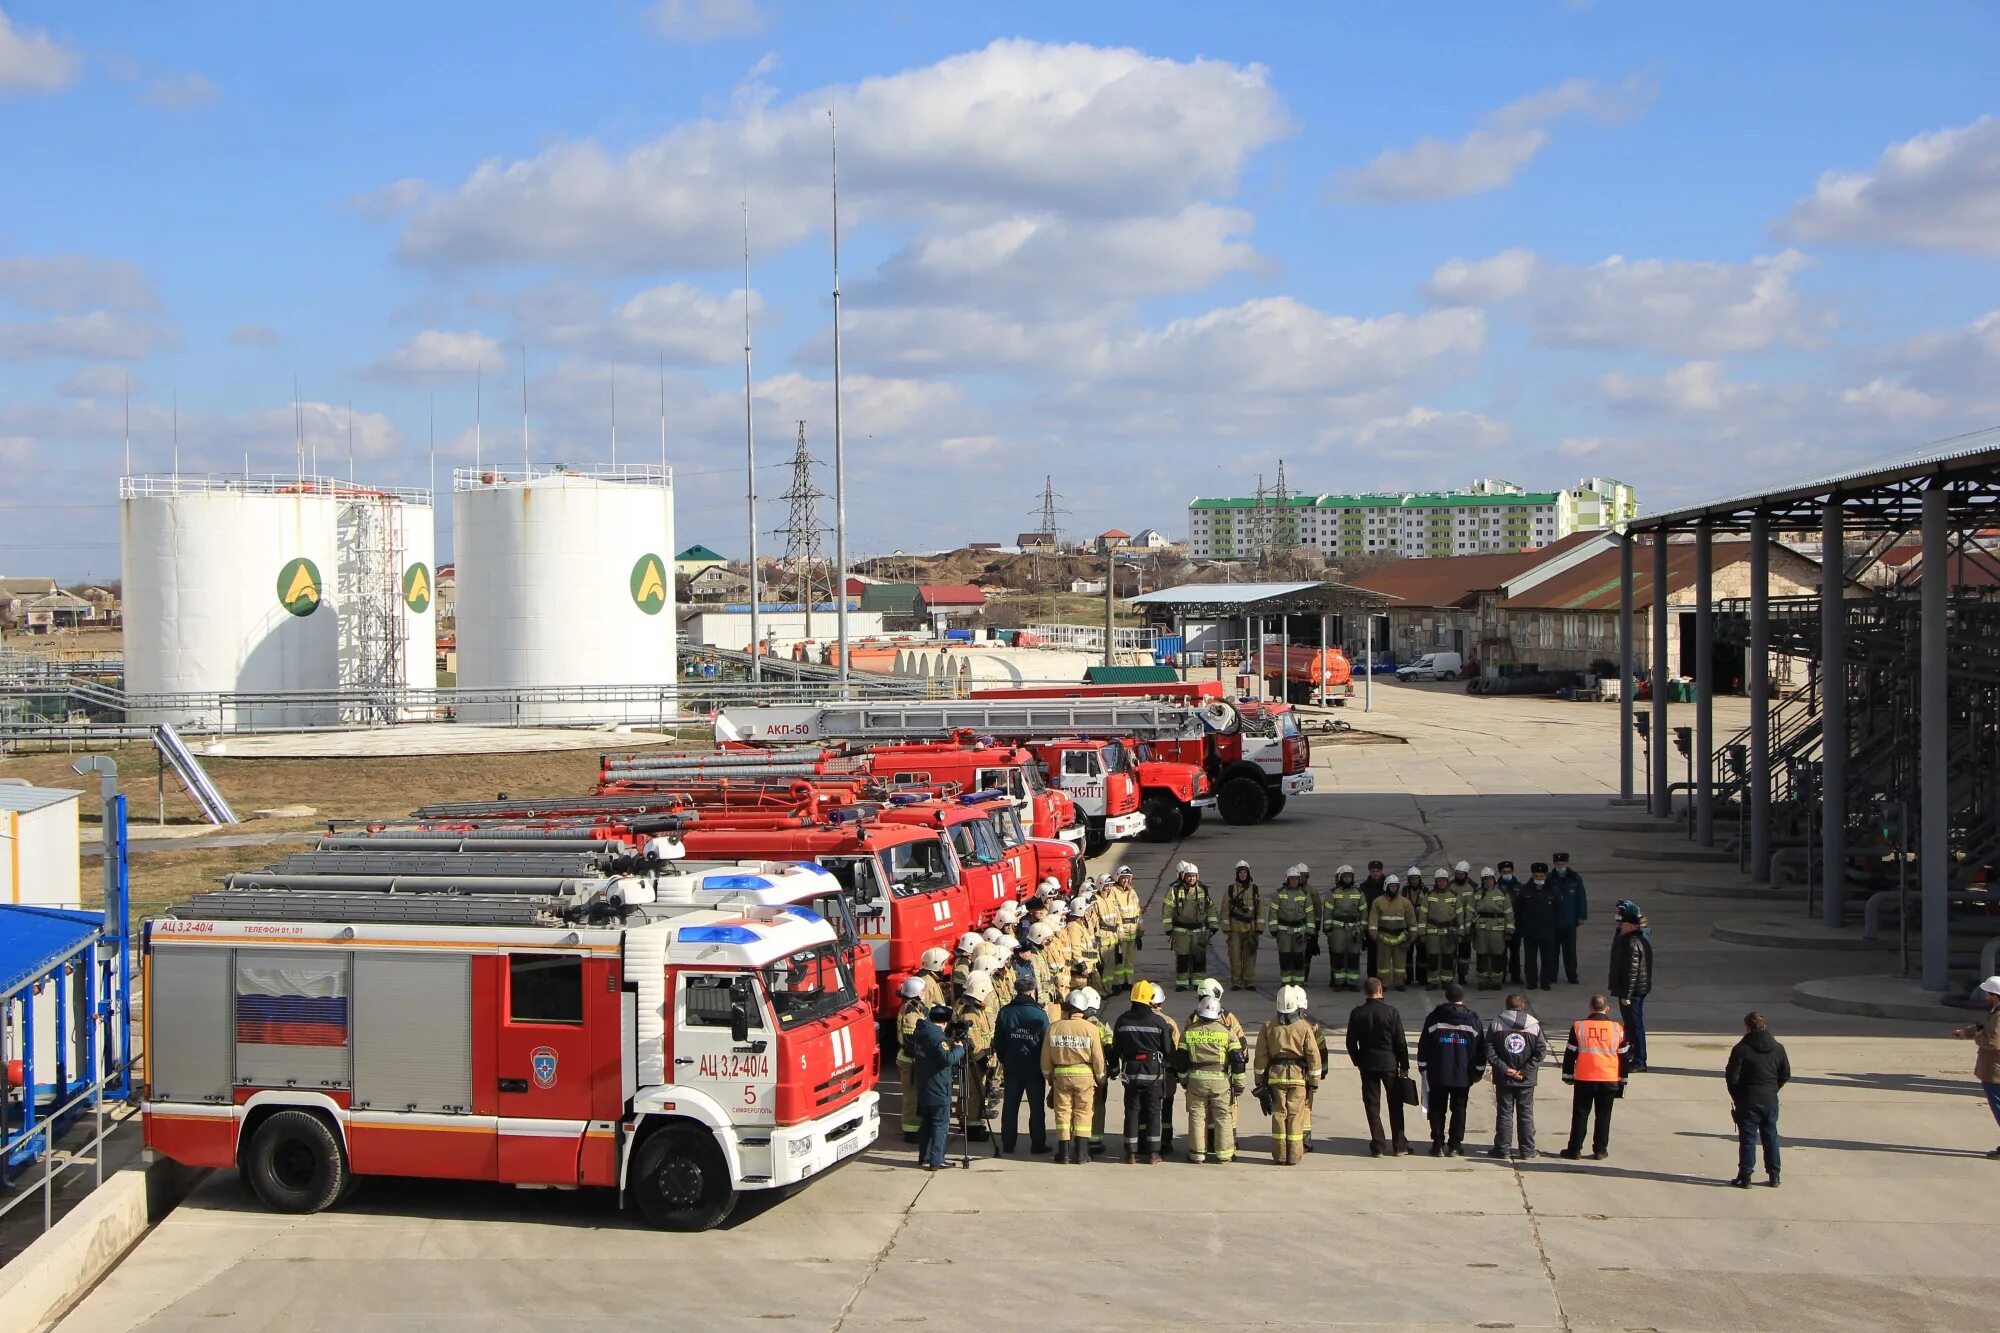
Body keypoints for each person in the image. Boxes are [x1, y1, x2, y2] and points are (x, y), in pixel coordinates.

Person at [1254, 985, 1321, 1165]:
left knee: (1279, 1114)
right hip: (1299, 1079)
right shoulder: (1304, 1027)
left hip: (1276, 1078)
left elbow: (1260, 1056)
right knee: (1295, 1116)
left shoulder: (1268, 1027)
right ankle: (1294, 1156)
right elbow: (1313, 1055)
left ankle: (1280, 1155)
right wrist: (1314, 1082)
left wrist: (1259, 1081)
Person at [1417, 982, 1486, 1156]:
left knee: (1437, 1108)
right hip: (1463, 1074)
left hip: (1438, 1072)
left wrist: (1423, 1067)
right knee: (1459, 1108)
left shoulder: (1434, 1018)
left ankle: (1438, 1144)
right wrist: (1479, 1071)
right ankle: (1455, 1146)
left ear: (1446, 997)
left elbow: (1424, 1044)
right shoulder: (1473, 1019)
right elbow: (1480, 1048)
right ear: (1462, 998)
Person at [1346, 977, 1412, 1156]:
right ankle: (1399, 1145)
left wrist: (1358, 1060)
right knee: (1395, 1105)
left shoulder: (1357, 1013)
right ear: (1380, 990)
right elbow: (1400, 1042)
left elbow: (1351, 1043)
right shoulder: (1391, 1012)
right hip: (1389, 1063)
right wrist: (1404, 1064)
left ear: (1365, 992)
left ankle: (1378, 1145)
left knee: (1372, 1106)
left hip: (1368, 1065)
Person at [1559, 993, 1629, 1160]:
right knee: (1604, 1116)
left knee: (1580, 1114)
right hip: (1609, 1078)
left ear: (1590, 1008)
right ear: (1607, 1008)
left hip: (1585, 1077)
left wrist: (1568, 1075)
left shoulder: (1579, 1027)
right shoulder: (1617, 1028)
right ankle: (1600, 1149)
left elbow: (1570, 1053)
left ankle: (1574, 1149)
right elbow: (1623, 1057)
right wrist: (1623, 1080)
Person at [1725, 1011, 1790, 1187]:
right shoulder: (1778, 1048)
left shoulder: (1741, 1049)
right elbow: (1785, 1074)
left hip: (1748, 1100)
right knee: (1771, 1137)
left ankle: (1745, 1176)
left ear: (1747, 1027)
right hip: (1770, 1099)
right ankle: (1774, 1175)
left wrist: (1738, 1096)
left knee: (1748, 1139)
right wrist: (1773, 1088)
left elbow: (1732, 1078)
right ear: (1764, 1026)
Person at [1041, 989, 1106, 1164]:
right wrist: (1101, 1078)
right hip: (1085, 1077)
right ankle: (1082, 1154)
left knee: (1063, 1113)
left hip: (1061, 1076)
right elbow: (1098, 1057)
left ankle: (1064, 1154)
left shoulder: (1054, 1028)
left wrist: (1048, 1077)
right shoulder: (1091, 1029)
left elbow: (1046, 1058)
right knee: (1084, 1113)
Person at [1112, 980, 1174, 1163]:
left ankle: (1131, 1153)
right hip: (1153, 1073)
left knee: (1132, 1111)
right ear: (1150, 998)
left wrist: (1115, 1067)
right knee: (1154, 1111)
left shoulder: (1122, 1020)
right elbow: (1168, 1050)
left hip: (1131, 1072)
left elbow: (1116, 1049)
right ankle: (1154, 1154)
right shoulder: (1158, 1021)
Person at [1181, 994, 1245, 1163]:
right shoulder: (1227, 1032)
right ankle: (1224, 1155)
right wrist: (1239, 1084)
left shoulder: (1189, 1031)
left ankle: (1197, 1154)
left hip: (1196, 1080)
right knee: (1223, 1116)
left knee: (1197, 1116)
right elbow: (1238, 1060)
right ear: (1217, 1014)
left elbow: (1180, 1059)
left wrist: (1184, 1079)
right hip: (1220, 1081)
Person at [993, 974, 1051, 1155]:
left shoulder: (1005, 1012)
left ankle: (1008, 1144)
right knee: (1036, 1108)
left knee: (1010, 1107)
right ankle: (1038, 1144)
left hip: (1012, 1067)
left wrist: (1005, 1059)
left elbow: (999, 1042)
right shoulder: (1040, 1014)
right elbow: (1046, 1043)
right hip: (1034, 1068)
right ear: (1032, 991)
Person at [1487, 993, 1548, 1160]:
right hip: (1526, 1079)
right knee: (1526, 1113)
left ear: (1506, 1006)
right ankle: (1527, 1150)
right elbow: (1541, 1051)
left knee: (1504, 1113)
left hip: (1504, 1078)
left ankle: (1502, 1149)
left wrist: (1505, 1069)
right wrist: (1526, 1070)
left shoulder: (1497, 1023)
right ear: (1522, 1006)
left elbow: (1489, 1050)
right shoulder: (1534, 1026)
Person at [907, 1004, 964, 1170]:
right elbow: (947, 1059)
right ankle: (936, 1159)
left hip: (924, 1086)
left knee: (926, 1122)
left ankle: (924, 1156)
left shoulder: (922, 1032)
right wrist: (960, 1049)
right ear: (944, 1022)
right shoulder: (937, 1038)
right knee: (940, 1124)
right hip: (938, 1087)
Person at [1950, 975, 2000, 1158]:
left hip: (1995, 1070)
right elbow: (1985, 1028)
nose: (1986, 997)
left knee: (1998, 1106)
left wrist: (1977, 1037)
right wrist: (1966, 1032)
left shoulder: (1999, 1015)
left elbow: (1992, 1042)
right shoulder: (1996, 1011)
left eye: (1988, 993)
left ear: (1995, 995)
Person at [1608, 899, 1654, 1072]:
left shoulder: (1632, 943)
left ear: (1632, 926)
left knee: (1635, 1025)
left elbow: (1631, 972)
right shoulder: (1627, 939)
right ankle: (1632, 1053)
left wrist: (1626, 994)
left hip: (1632, 992)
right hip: (1630, 990)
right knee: (1631, 1024)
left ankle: (1640, 1059)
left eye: (1623, 923)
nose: (1620, 926)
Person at [953, 970, 998, 1141]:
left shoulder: (976, 1009)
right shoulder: (971, 1012)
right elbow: (972, 1041)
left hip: (979, 1057)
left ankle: (972, 1120)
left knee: (976, 1092)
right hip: (974, 1060)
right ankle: (971, 1126)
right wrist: (981, 1060)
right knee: (972, 1093)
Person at [1163, 861, 1217, 991]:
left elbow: (1210, 907)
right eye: (1188, 876)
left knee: (1199, 957)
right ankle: (1182, 983)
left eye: (1193, 876)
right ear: (1184, 876)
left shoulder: (1202, 889)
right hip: (1181, 931)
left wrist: (1214, 924)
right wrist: (1168, 927)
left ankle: (1199, 982)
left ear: (1197, 876)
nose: (1191, 878)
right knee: (1182, 956)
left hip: (1199, 930)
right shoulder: (1175, 890)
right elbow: (1168, 909)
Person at [1267, 864, 1320, 988]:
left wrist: (1309, 931)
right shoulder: (1279, 893)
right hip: (1283, 932)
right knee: (1285, 957)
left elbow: (1310, 914)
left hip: (1299, 932)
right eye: (1292, 879)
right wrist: (1273, 929)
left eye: (1296, 879)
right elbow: (1273, 912)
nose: (1295, 881)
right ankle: (1286, 982)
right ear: (1287, 879)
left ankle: (1298, 982)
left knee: (1298, 958)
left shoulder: (1304, 894)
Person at [1515, 863, 1562, 992]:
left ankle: (1545, 982)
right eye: (1536, 875)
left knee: (1547, 959)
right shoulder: (1525, 890)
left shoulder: (1553, 890)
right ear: (1532, 875)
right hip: (1530, 932)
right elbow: (1518, 910)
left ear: (1546, 875)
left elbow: (1559, 910)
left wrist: (1555, 928)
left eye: (1541, 876)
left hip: (1548, 932)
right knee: (1530, 959)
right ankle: (1532, 982)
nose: (1539, 878)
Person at [1367, 873, 1418, 991]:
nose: (1394, 889)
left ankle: (1399, 982)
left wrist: (1412, 936)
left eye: (1396, 886)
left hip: (1400, 938)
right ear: (1386, 887)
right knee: (1382, 964)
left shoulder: (1405, 903)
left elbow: (1411, 920)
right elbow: (1373, 919)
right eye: (1391, 886)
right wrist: (1373, 933)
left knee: (1400, 963)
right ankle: (1383, 983)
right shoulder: (1378, 902)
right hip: (1383, 937)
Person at [894, 976, 930, 1142]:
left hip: (914, 1060)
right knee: (912, 1096)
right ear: (915, 992)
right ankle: (911, 1131)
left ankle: (916, 1126)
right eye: (922, 991)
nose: (924, 993)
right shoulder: (910, 1014)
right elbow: (911, 1042)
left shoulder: (914, 1008)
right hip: (910, 1061)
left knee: (917, 1095)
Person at [1321, 866, 1368, 990]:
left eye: (1350, 877)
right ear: (1341, 878)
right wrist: (1328, 929)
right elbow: (1327, 912)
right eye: (1345, 877)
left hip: (1354, 930)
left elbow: (1364, 912)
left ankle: (1352, 983)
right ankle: (1339, 981)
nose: (1347, 879)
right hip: (1338, 930)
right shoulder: (1333, 893)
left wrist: (1363, 928)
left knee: (1353, 955)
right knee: (1338, 955)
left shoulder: (1358, 893)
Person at [1419, 867, 1467, 989]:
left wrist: (1460, 933)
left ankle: (1447, 981)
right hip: (1432, 933)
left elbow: (1460, 916)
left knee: (1448, 957)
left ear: (1447, 881)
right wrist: (1422, 933)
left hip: (1449, 933)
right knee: (1433, 957)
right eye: (1439, 880)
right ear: (1436, 881)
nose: (1441, 883)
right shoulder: (1429, 896)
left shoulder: (1454, 896)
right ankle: (1432, 981)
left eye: (1444, 880)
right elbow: (1423, 915)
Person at [1469, 867, 1515, 989]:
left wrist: (1509, 930)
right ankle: (1483, 981)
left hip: (1497, 930)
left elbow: (1509, 913)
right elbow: (1470, 911)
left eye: (1490, 878)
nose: (1487, 881)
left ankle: (1496, 981)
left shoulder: (1502, 892)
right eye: (1485, 879)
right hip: (1481, 930)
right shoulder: (1477, 893)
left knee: (1497, 955)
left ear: (1494, 879)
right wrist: (1468, 928)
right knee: (1482, 955)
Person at [1550, 852, 1589, 986]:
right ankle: (1551, 975)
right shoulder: (1550, 878)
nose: (1560, 867)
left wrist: (1581, 916)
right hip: (1554, 922)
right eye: (1558, 864)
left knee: (1570, 952)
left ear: (1567, 864)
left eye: (1562, 864)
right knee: (1552, 952)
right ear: (1554, 864)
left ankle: (1572, 975)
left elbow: (1581, 898)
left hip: (1569, 922)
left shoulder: (1575, 879)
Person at [1224, 861, 1262, 991]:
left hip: (1250, 929)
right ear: (1237, 873)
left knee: (1250, 956)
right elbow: (1224, 910)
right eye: (1240, 872)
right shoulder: (1230, 890)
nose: (1242, 874)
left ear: (1248, 873)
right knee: (1234, 957)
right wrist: (1226, 928)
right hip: (1234, 929)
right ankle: (1236, 982)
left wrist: (1259, 928)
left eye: (1244, 872)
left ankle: (1249, 981)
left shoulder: (1255, 889)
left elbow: (1260, 910)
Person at [1495, 860, 1526, 984]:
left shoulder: (1520, 887)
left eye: (1509, 872)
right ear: (1500, 873)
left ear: (1513, 871)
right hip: (1501, 925)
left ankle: (1515, 975)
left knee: (1515, 952)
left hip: (1517, 924)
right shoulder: (1496, 888)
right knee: (1501, 952)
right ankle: (1501, 974)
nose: (1507, 874)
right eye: (1504, 872)